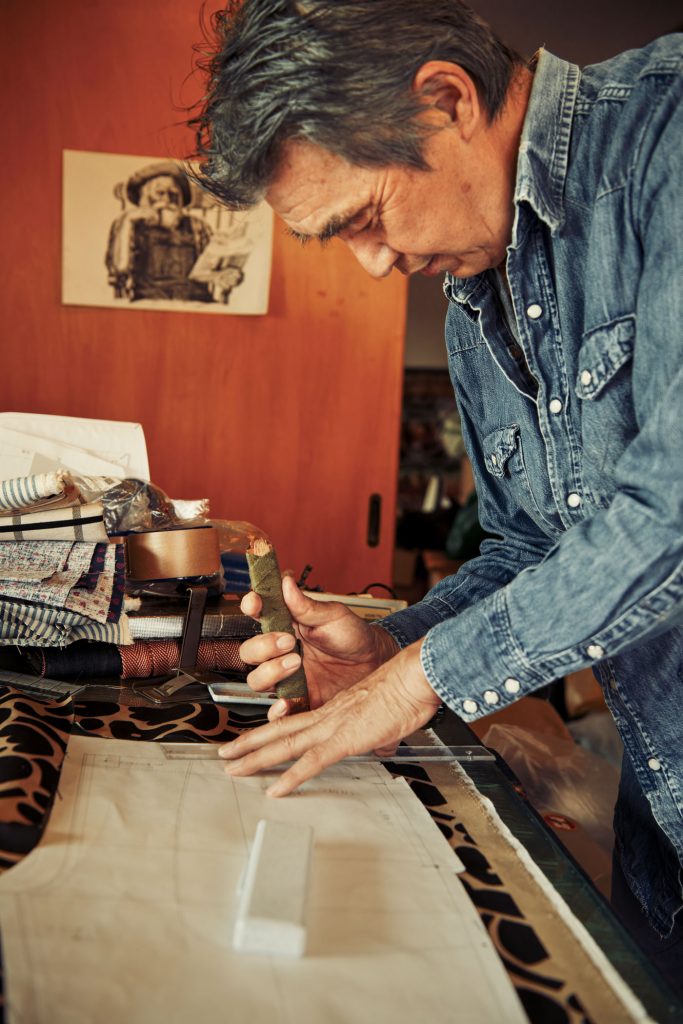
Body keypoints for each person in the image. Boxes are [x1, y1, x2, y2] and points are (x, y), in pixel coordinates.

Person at [190, 0, 683, 989]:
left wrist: (419, 681)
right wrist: (391, 648)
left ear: (446, 98)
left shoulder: (664, 137)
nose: (374, 264)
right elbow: (525, 548)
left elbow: (667, 512)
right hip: (659, 822)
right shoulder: (472, 288)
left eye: (367, 217)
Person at [106, 160, 213, 302]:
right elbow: (119, 268)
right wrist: (128, 222)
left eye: (173, 194)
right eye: (160, 193)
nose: (167, 200)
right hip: (149, 301)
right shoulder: (130, 223)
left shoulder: (198, 226)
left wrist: (226, 273)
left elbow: (211, 269)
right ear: (145, 198)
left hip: (196, 300)